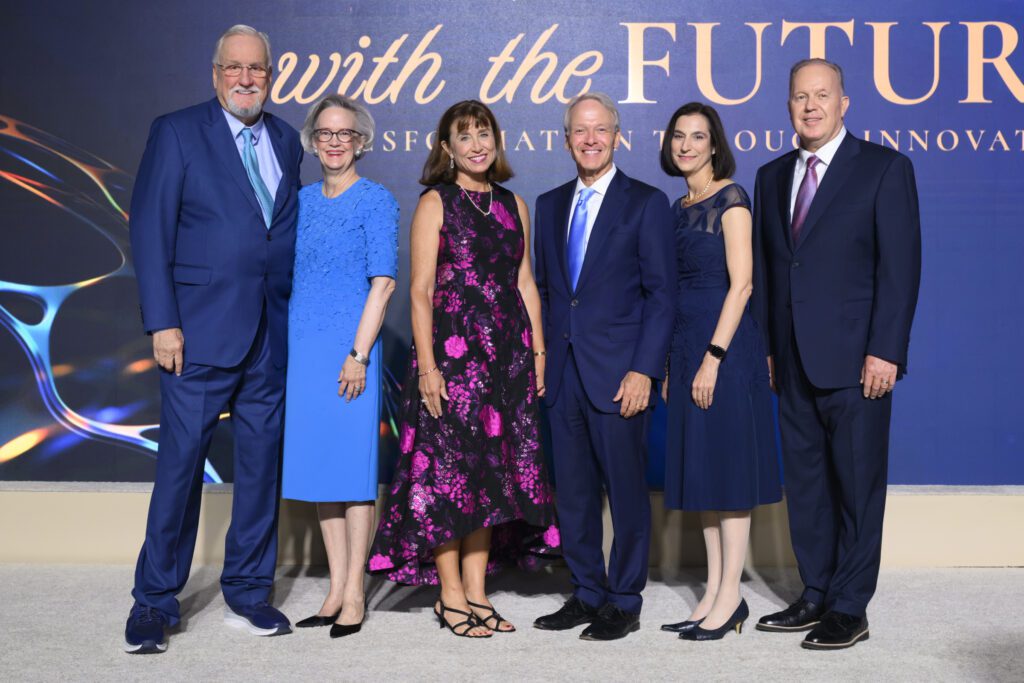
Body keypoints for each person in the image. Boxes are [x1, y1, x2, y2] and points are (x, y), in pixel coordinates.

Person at [125, 24, 303, 653]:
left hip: (269, 333)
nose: (246, 79)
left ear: (271, 76)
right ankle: (154, 600)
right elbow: (149, 230)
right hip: (195, 331)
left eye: (257, 70)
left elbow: (276, 237)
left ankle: (250, 591)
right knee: (179, 469)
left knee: (260, 470)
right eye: (235, 68)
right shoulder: (176, 133)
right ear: (215, 73)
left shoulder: (285, 136)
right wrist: (162, 320)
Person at [368, 100, 559, 638]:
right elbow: (421, 291)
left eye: (485, 133)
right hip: (452, 359)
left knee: (492, 478)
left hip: (508, 359)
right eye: (465, 136)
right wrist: (428, 367)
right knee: (451, 478)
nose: (477, 144)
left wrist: (538, 352)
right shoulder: (436, 202)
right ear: (446, 148)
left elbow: (525, 286)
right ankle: (448, 595)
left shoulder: (514, 204)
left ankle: (477, 592)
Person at [751, 59, 921, 650]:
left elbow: (900, 271)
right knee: (807, 486)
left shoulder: (883, 168)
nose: (811, 106)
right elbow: (774, 273)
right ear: (789, 105)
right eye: (800, 96)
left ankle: (851, 606)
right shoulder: (771, 177)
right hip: (792, 360)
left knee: (856, 485)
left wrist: (886, 351)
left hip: (857, 363)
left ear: (844, 103)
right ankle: (816, 592)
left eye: (822, 95)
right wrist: (771, 349)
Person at [532, 93, 676, 641]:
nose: (589, 139)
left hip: (620, 375)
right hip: (563, 374)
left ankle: (624, 597)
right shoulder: (547, 205)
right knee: (572, 492)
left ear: (617, 136)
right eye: (579, 130)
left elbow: (662, 296)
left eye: (600, 130)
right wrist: (542, 362)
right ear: (565, 138)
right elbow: (546, 293)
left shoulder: (646, 202)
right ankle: (587, 590)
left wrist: (644, 370)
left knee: (626, 488)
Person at [656, 102, 782, 641]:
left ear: (715, 144)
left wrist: (713, 357)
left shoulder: (732, 199)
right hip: (685, 349)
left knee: (727, 475)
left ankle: (731, 597)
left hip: (723, 351)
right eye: (679, 136)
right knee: (703, 473)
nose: (686, 145)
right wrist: (671, 361)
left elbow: (744, 285)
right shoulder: (677, 206)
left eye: (698, 136)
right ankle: (713, 590)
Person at [281, 95, 398, 639]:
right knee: (321, 473)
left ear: (360, 141)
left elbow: (384, 282)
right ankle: (333, 588)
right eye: (325, 133)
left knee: (352, 477)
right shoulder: (299, 201)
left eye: (344, 133)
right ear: (312, 140)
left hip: (351, 351)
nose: (334, 141)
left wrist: (358, 354)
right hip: (303, 353)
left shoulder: (376, 201)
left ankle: (355, 591)